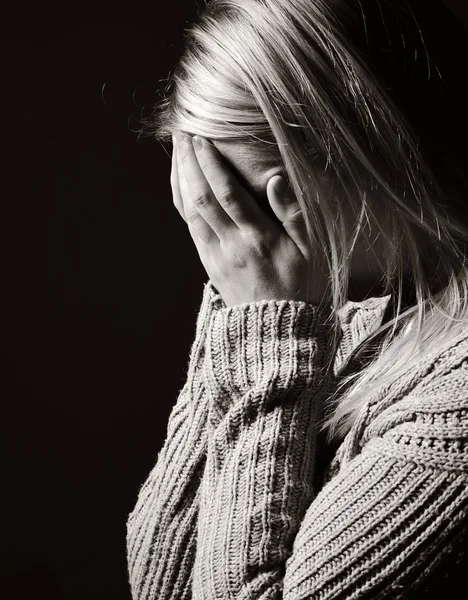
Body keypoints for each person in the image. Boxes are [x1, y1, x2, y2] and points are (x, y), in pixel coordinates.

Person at [126, 1, 468, 598]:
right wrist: (243, 321)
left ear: (374, 154)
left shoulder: (455, 401)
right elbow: (162, 584)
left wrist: (264, 335)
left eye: (248, 207)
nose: (240, 249)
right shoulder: (353, 314)